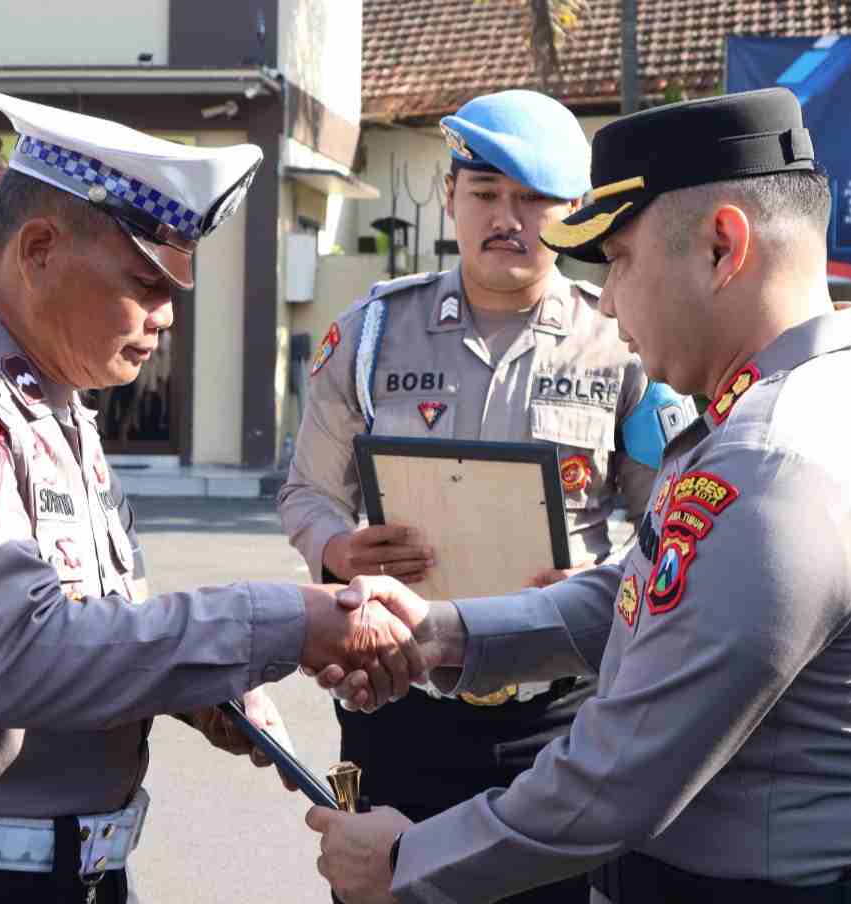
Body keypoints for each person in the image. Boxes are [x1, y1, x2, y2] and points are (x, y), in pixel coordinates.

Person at [0, 90, 426, 904]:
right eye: (144, 285)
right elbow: (16, 656)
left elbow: (91, 624)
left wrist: (198, 687)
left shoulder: (56, 408)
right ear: (39, 249)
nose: (164, 320)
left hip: (67, 867)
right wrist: (281, 619)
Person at [307, 88, 851, 904]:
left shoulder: (777, 461)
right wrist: (443, 633)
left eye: (618, 259)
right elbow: (647, 592)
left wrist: (406, 862)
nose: (605, 300)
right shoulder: (784, 413)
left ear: (723, 248)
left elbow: (619, 775)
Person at [278, 88, 689, 904]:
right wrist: (337, 548)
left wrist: (596, 586)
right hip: (398, 691)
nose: (510, 217)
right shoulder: (369, 334)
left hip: (558, 709)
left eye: (535, 198)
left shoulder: (625, 344)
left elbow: (670, 524)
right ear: (449, 197)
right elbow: (306, 491)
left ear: (574, 211)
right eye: (487, 192)